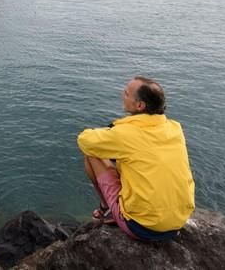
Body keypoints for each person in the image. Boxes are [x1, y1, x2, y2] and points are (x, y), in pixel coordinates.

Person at [77, 76, 195, 242]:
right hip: (178, 222)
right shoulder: (175, 128)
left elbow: (84, 141)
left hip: (141, 227)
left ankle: (106, 207)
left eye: (126, 93)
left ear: (139, 105)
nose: (122, 95)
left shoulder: (126, 134)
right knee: (134, 160)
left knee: (92, 153)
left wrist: (111, 131)